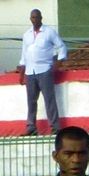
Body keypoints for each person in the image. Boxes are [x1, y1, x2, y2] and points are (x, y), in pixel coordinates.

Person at [17, 8, 67, 136]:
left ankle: (55, 128)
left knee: (49, 99)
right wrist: (22, 72)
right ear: (30, 19)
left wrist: (59, 62)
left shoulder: (49, 32)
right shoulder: (26, 34)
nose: (35, 19)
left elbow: (61, 46)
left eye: (37, 17)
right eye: (33, 17)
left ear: (41, 18)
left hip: (45, 70)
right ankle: (31, 128)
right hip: (30, 72)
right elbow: (24, 54)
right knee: (31, 101)